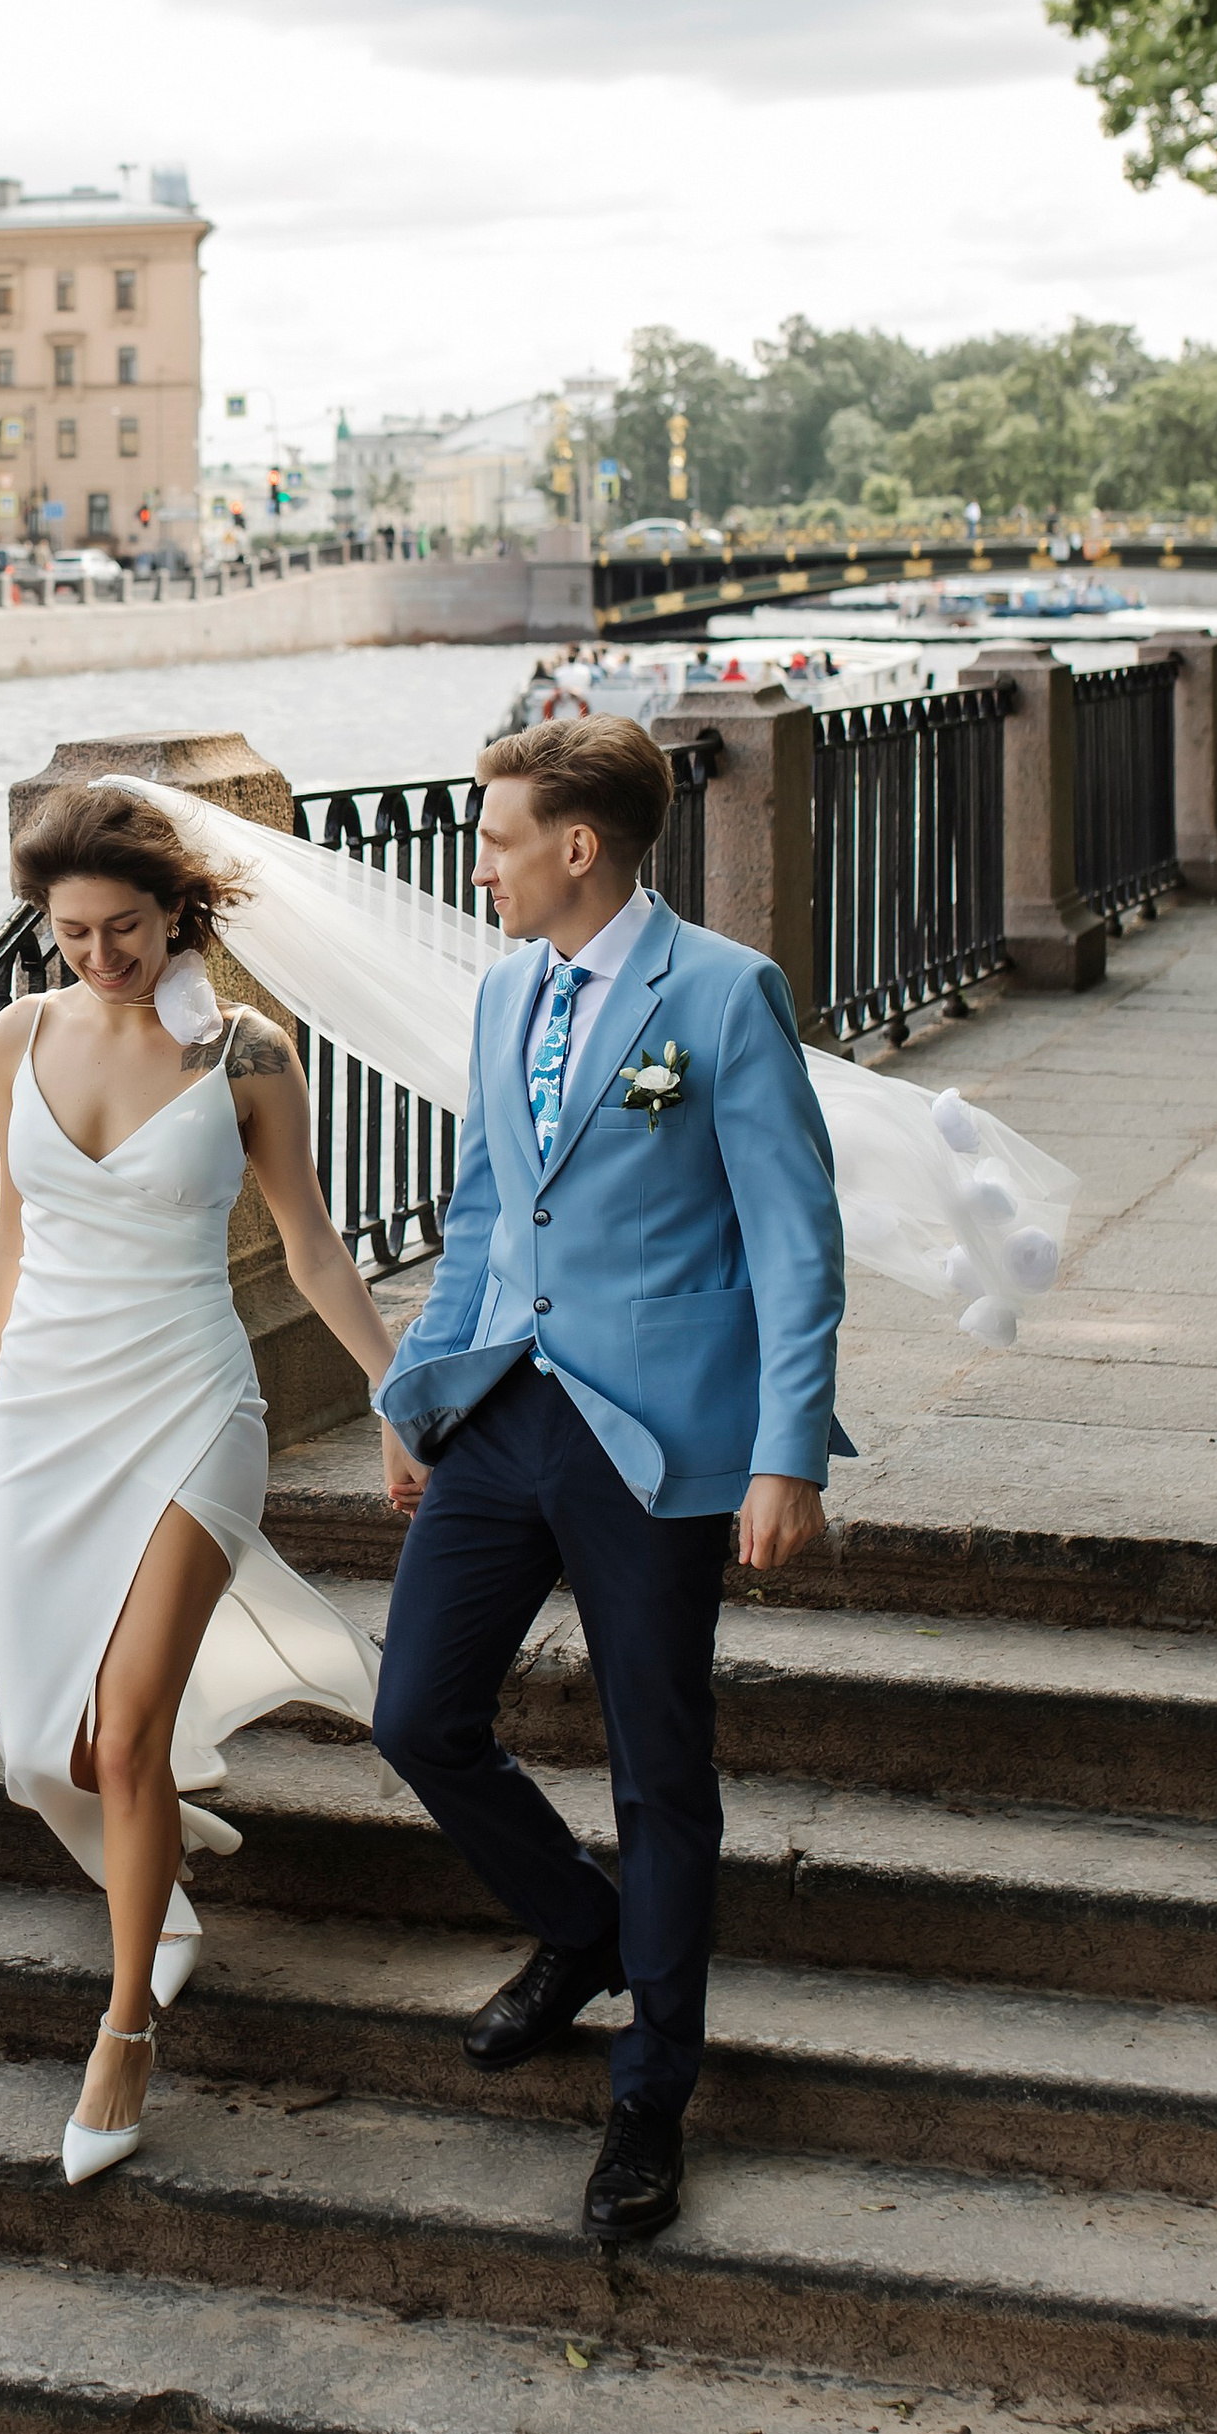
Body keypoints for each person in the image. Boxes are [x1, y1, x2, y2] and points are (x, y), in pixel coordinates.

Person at [371, 715, 848, 2248]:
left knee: (660, 1767)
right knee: (417, 1714)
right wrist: (417, 1390)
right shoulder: (507, 990)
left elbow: (793, 1237)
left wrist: (786, 1452)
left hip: (659, 1438)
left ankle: (652, 2094)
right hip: (504, 1410)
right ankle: (581, 1931)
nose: (482, 863)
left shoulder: (720, 993)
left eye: (499, 837)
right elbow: (484, 1209)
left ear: (580, 847)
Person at [0, 784, 399, 2189]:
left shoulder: (246, 1051)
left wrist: (398, 1392)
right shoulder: (19, 1035)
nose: (96, 956)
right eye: (68, 932)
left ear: (175, 910)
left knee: (124, 1735)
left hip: (192, 1408)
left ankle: (128, 2022)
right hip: (56, 1420)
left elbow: (311, 1248)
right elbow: (12, 1239)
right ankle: (155, 1861)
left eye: (120, 928)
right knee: (37, 1756)